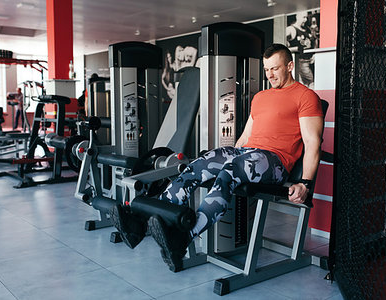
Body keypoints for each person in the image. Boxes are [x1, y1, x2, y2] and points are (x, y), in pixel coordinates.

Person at [112, 44, 324, 272]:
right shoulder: (260, 97)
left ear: (290, 66)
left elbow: (313, 142)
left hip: (275, 161)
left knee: (231, 170)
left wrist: (306, 184)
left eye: (275, 68)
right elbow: (245, 137)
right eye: (266, 69)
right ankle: (141, 224)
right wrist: (225, 156)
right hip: (247, 153)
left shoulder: (306, 96)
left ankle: (183, 238)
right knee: (195, 166)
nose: (270, 74)